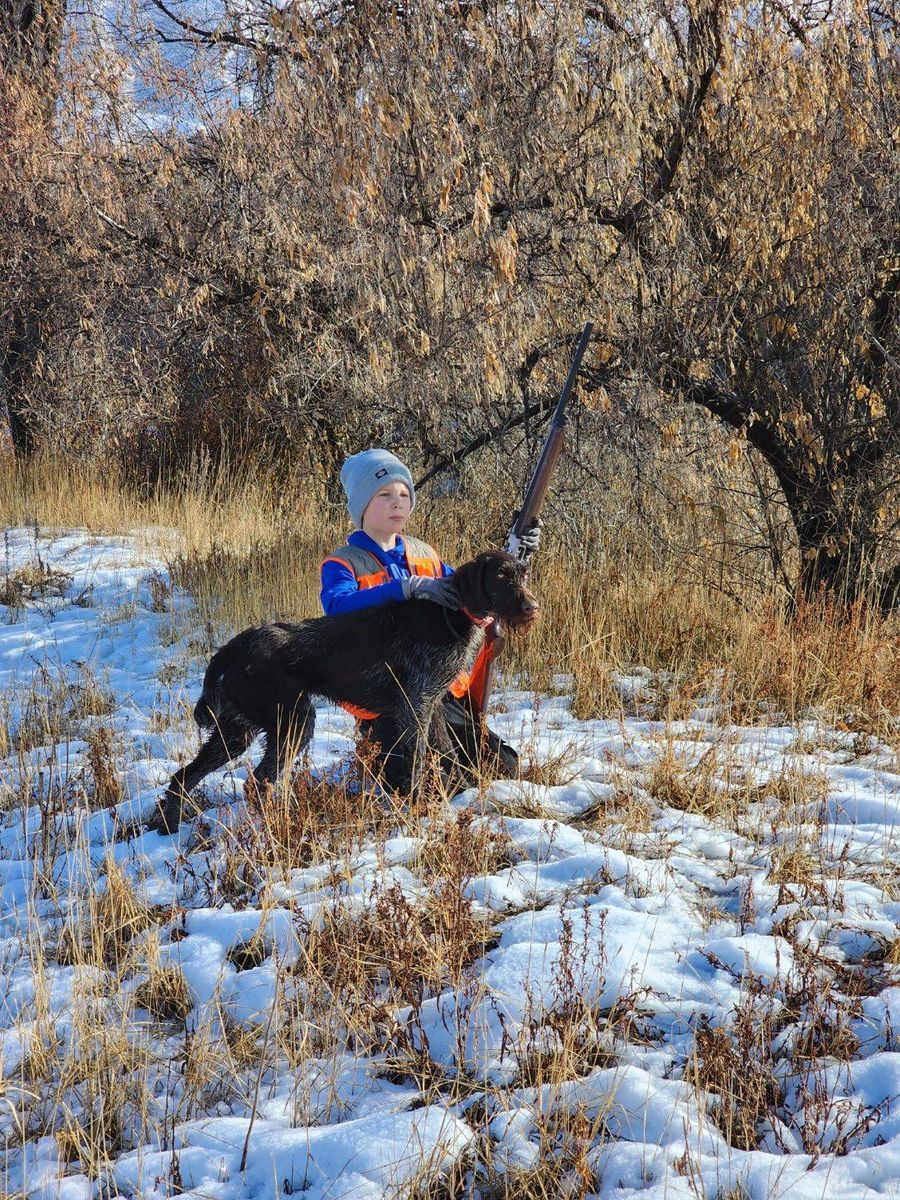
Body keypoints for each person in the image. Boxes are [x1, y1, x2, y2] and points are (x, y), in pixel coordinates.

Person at [320, 448, 540, 791]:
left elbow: (474, 593)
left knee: (504, 766)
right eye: (384, 494)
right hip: (384, 704)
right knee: (431, 785)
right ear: (361, 504)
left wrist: (514, 557)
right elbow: (337, 606)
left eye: (405, 494)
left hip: (439, 696)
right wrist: (405, 588)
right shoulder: (344, 562)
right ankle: (380, 758)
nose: (398, 502)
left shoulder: (424, 554)